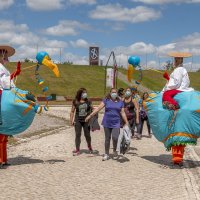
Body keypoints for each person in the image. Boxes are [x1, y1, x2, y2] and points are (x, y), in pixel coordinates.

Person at [85, 88, 129, 161]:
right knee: (107, 139)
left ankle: (115, 151)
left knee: (115, 137)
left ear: (117, 94)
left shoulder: (120, 102)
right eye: (112, 92)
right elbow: (98, 108)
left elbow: (122, 112)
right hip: (107, 122)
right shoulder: (106, 100)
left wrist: (126, 122)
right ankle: (106, 154)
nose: (114, 94)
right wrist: (90, 116)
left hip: (116, 123)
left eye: (115, 92)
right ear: (110, 93)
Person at [0, 45, 21, 168]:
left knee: (4, 132)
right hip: (1, 95)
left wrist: (14, 74)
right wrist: (14, 74)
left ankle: (4, 159)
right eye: (4, 54)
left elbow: (7, 81)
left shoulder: (4, 68)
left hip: (5, 95)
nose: (6, 57)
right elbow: (4, 81)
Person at [70, 88, 93, 156]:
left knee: (87, 135)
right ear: (80, 94)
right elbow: (72, 111)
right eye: (84, 93)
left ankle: (89, 146)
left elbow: (93, 109)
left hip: (86, 121)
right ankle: (77, 149)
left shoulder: (88, 101)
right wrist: (71, 120)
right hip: (78, 120)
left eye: (86, 92)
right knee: (78, 134)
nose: (85, 94)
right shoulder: (75, 101)